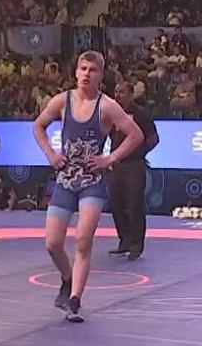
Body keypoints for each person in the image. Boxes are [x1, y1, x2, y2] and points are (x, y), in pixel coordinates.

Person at [32, 50, 145, 323]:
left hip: (91, 183)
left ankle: (74, 300)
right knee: (52, 243)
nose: (86, 74)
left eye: (92, 70)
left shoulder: (107, 106)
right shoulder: (62, 101)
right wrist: (51, 154)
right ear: (75, 72)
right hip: (65, 180)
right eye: (82, 69)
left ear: (100, 76)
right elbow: (38, 126)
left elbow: (136, 135)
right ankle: (67, 278)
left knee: (83, 240)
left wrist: (110, 158)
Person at [107, 81, 159, 260]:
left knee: (134, 204)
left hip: (134, 165)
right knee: (116, 203)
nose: (117, 95)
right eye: (116, 92)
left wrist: (138, 152)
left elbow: (154, 138)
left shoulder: (141, 113)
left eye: (121, 92)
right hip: (116, 164)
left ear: (131, 94)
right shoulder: (112, 113)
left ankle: (137, 244)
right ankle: (125, 240)